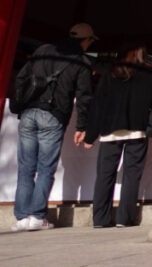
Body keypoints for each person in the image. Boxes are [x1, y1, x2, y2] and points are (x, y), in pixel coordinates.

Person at [11, 22, 96, 231]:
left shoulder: (43, 50)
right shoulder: (82, 62)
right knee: (45, 169)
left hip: (29, 114)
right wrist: (82, 126)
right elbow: (84, 97)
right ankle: (37, 216)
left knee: (25, 168)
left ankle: (22, 218)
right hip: (53, 116)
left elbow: (21, 78)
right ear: (85, 40)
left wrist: (17, 104)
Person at [84, 43, 152, 228]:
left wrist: (90, 136)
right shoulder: (151, 73)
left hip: (109, 129)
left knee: (105, 175)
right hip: (137, 128)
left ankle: (100, 219)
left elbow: (98, 104)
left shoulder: (110, 72)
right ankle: (124, 219)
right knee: (132, 175)